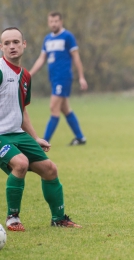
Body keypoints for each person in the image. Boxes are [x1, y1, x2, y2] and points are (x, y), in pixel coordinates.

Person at [0, 27, 81, 231]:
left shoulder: (25, 76)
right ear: (1, 47)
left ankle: (58, 218)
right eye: (7, 43)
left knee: (50, 169)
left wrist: (35, 137)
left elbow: (22, 111)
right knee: (21, 163)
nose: (12, 46)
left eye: (16, 42)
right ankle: (12, 218)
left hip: (17, 134)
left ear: (24, 44)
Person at [29, 11, 88, 146]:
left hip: (63, 78)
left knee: (53, 107)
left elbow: (76, 57)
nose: (54, 24)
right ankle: (80, 138)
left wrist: (81, 77)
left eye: (56, 21)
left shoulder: (68, 36)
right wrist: (29, 74)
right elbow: (41, 59)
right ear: (48, 23)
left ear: (61, 22)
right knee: (65, 109)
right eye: (51, 21)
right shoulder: (47, 39)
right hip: (54, 79)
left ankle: (44, 141)